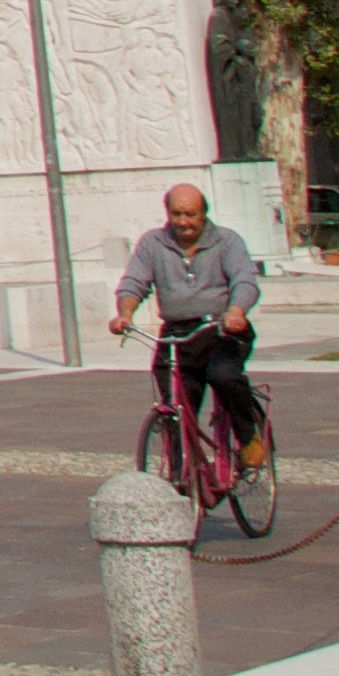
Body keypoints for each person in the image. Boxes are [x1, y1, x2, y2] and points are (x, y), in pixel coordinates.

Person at [110, 181, 266, 470]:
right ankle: (184, 477)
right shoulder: (153, 243)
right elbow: (134, 282)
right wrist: (125, 314)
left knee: (223, 375)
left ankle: (248, 437)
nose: (183, 222)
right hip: (177, 334)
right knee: (176, 408)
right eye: (177, 214)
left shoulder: (227, 241)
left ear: (204, 214)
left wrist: (236, 311)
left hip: (222, 330)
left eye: (191, 214)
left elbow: (244, 280)